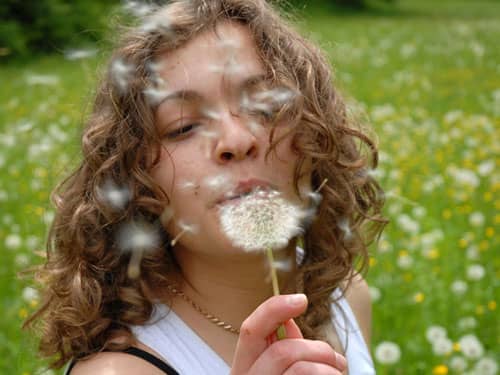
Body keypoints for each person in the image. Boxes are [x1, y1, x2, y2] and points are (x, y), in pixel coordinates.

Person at [25, 0, 386, 374]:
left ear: (316, 134)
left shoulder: (346, 297)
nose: (235, 139)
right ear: (134, 180)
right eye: (183, 127)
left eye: (265, 106)